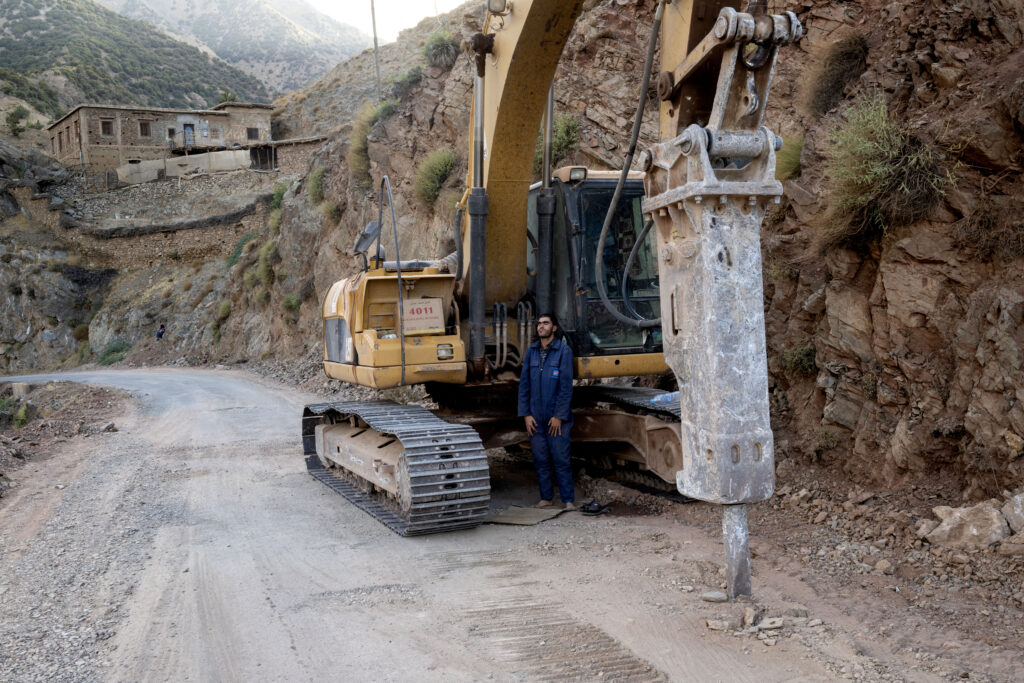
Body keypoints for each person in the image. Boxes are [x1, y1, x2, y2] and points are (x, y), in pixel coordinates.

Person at [517, 312, 576, 510]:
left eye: (545, 323)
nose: (541, 326)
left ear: (554, 328)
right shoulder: (531, 352)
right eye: (539, 324)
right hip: (535, 417)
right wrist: (526, 414)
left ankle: (568, 500)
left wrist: (559, 416)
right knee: (541, 459)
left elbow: (566, 387)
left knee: (561, 458)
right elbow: (524, 386)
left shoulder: (563, 351)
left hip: (556, 417)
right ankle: (546, 498)